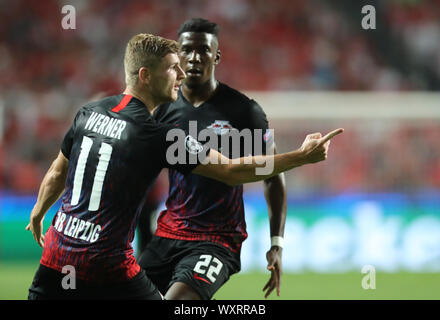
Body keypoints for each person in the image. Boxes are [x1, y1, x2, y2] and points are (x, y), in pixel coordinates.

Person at [26, 32, 343, 300]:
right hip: (106, 267)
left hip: (55, 259)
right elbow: (232, 172)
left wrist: (40, 211)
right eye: (172, 69)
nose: (181, 75)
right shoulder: (156, 136)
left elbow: (57, 170)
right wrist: (301, 156)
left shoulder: (88, 112)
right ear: (145, 76)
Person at [137, 18, 328, 300]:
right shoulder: (164, 109)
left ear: (217, 55)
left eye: (203, 50)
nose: (194, 58)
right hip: (167, 235)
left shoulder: (242, 112)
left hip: (216, 241)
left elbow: (271, 175)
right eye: (187, 50)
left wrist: (277, 244)